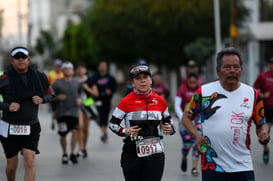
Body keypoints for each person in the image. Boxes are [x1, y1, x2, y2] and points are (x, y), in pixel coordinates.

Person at [182, 47, 270, 181]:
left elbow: (261, 124)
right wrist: (197, 136)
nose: (232, 71)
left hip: (243, 166)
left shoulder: (253, 95)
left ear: (241, 69)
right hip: (212, 166)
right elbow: (186, 117)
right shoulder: (204, 92)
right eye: (227, 67)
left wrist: (264, 133)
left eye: (236, 67)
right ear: (218, 70)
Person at [109, 64, 176, 181]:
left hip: (155, 153)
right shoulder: (126, 101)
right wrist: (125, 131)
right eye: (138, 78)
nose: (142, 81)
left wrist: (170, 128)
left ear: (150, 80)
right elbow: (112, 124)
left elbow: (169, 121)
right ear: (133, 83)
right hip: (132, 152)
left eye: (145, 77)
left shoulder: (160, 101)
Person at [0, 47, 54, 181]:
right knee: (12, 166)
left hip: (30, 125)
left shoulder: (39, 77)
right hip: (9, 126)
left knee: (29, 162)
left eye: (23, 57)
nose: (20, 59)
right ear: (12, 61)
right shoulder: (4, 78)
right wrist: (7, 106)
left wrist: (42, 99)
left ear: (28, 60)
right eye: (17, 57)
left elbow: (50, 94)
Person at [52, 62, 81, 164]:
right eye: (66, 68)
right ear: (62, 71)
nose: (68, 70)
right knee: (63, 134)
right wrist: (57, 98)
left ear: (73, 71)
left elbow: (81, 94)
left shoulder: (77, 83)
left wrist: (80, 100)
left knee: (74, 132)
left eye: (70, 68)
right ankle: (64, 154)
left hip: (74, 112)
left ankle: (72, 153)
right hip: (61, 112)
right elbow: (50, 96)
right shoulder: (57, 83)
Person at [174, 72, 201, 176]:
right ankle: (184, 156)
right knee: (187, 144)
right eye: (191, 82)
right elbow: (177, 105)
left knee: (196, 142)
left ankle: (194, 167)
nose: (193, 84)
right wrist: (183, 118)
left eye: (195, 82)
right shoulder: (182, 89)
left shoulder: (200, 90)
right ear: (187, 81)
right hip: (184, 121)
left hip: (197, 121)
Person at [75, 62, 99, 158]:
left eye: (82, 68)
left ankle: (84, 148)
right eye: (78, 68)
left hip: (88, 104)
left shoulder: (89, 80)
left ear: (85, 70)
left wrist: (87, 88)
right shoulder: (74, 80)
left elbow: (95, 93)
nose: (80, 69)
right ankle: (80, 148)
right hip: (77, 105)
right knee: (79, 126)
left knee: (85, 128)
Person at [253, 57, 273, 164]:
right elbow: (254, 89)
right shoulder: (263, 76)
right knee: (265, 130)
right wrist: (263, 95)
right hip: (267, 108)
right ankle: (265, 149)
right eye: (271, 64)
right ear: (269, 65)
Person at [92, 61, 117, 143]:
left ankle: (104, 131)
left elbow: (114, 87)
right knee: (101, 115)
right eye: (101, 66)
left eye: (104, 66)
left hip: (107, 100)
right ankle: (103, 133)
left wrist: (110, 91)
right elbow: (91, 86)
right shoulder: (95, 77)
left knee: (105, 116)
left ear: (106, 67)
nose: (102, 67)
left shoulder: (110, 77)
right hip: (98, 100)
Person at [47, 59, 64, 130]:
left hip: (61, 95)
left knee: (61, 110)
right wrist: (48, 94)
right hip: (53, 95)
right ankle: (53, 121)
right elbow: (47, 85)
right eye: (57, 66)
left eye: (59, 66)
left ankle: (60, 124)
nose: (58, 67)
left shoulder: (63, 74)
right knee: (55, 111)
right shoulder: (51, 74)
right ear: (55, 66)